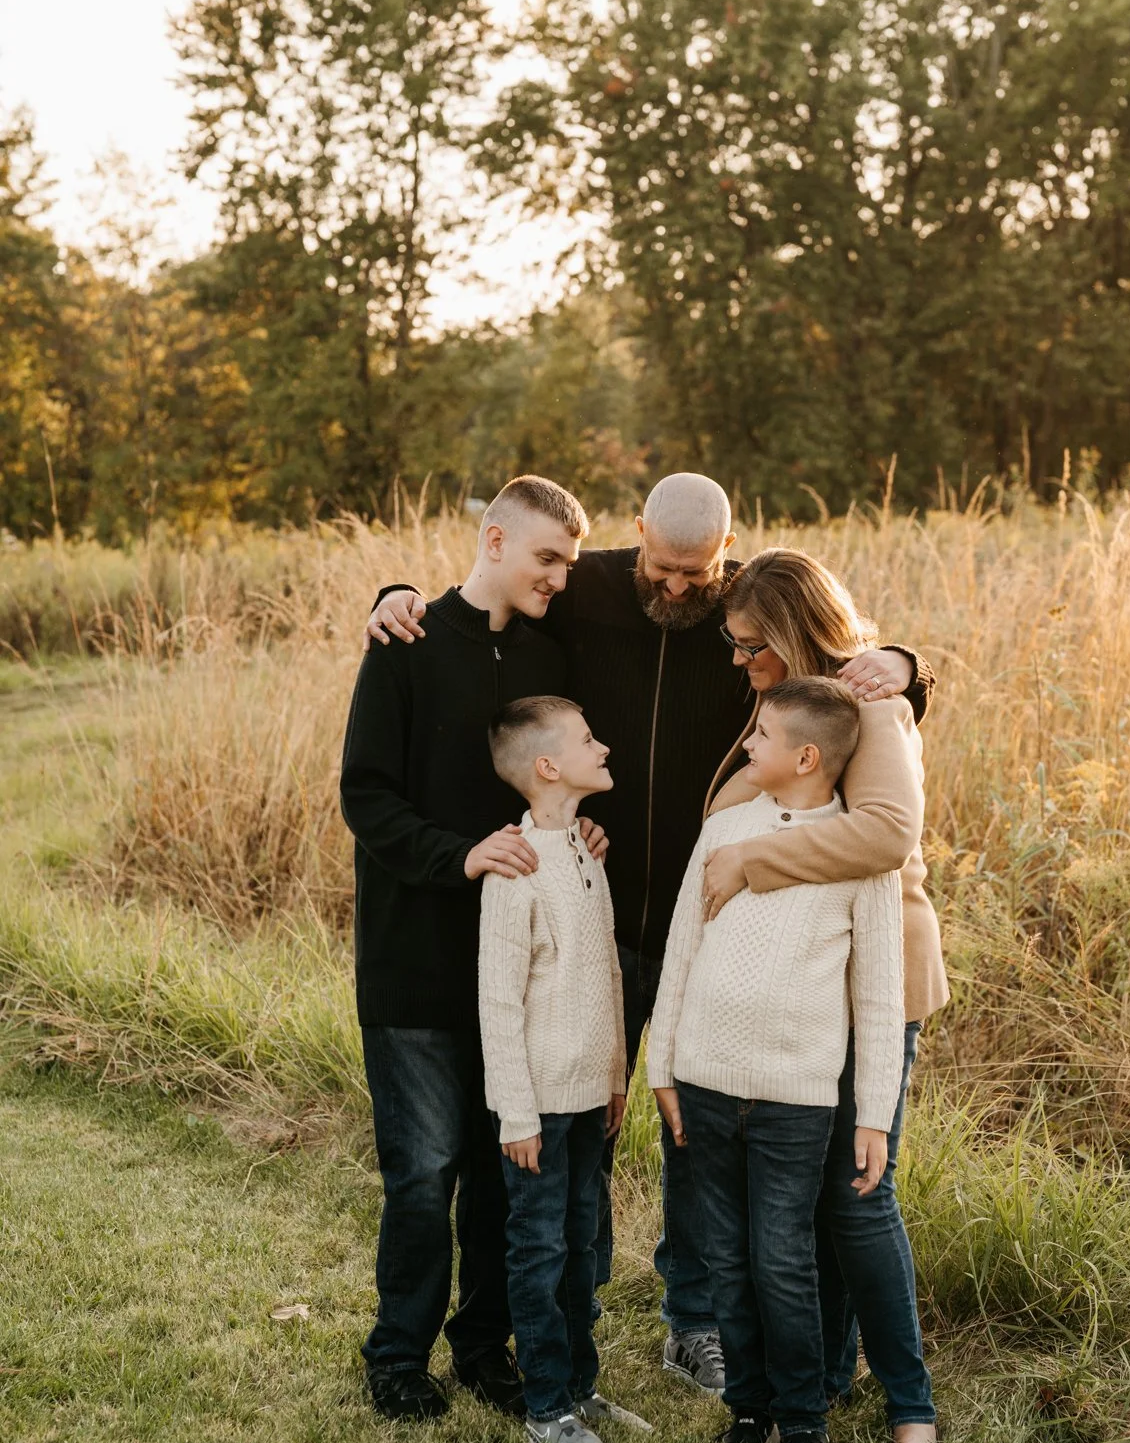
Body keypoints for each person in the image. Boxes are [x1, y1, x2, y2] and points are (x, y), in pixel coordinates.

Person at [363, 473, 932, 1396]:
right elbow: (487, 587)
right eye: (662, 569)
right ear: (634, 542)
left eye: (696, 576)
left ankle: (696, 1324)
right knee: (570, 1129)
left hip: (709, 929)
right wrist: (394, 599)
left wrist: (904, 663)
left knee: (693, 1139)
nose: (677, 590)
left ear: (728, 554)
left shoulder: (747, 614)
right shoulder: (582, 583)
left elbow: (844, 678)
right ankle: (548, 1336)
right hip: (591, 913)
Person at [340, 475, 603, 1423]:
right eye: (545, 559)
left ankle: (486, 1351)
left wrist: (572, 832)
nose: (560, 578)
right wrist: (461, 858)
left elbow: (551, 778)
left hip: (523, 973)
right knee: (422, 1175)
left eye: (569, 563)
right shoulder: (405, 648)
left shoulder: (548, 648)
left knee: (504, 1174)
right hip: (415, 959)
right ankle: (397, 1357)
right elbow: (365, 797)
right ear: (492, 541)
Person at [699, 548, 948, 1443]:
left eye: (751, 643)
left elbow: (886, 833)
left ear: (793, 630)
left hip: (873, 985)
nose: (739, 659)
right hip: (800, 988)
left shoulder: (867, 707)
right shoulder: (787, 708)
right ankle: (827, 1379)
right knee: (805, 1203)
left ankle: (909, 1407)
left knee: (855, 1198)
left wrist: (751, 861)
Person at [649, 678, 904, 1443]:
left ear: (804, 756)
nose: (745, 745)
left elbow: (877, 992)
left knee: (783, 1260)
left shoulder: (856, 851)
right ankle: (748, 1410)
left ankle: (802, 1422)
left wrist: (871, 1115)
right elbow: (682, 947)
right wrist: (662, 1066)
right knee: (726, 1256)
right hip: (706, 1081)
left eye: (758, 735)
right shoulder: (726, 827)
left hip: (797, 1094)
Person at [479, 695, 652, 1443]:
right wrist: (515, 1114)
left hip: (590, 1097)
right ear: (548, 766)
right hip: (540, 1106)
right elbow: (497, 999)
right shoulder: (514, 869)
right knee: (539, 1251)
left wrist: (616, 1076)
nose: (604, 746)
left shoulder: (584, 851)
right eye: (588, 739)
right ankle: (545, 1406)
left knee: (584, 1246)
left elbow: (604, 976)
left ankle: (581, 1386)